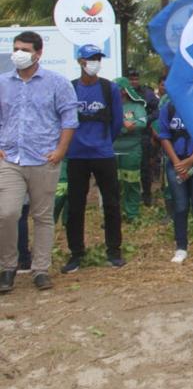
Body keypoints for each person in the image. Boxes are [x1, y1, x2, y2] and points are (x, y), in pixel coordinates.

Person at [0, 31, 78, 293]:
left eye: (24, 49)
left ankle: (40, 270)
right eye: (16, 48)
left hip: (44, 159)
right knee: (7, 213)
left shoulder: (57, 83)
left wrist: (60, 151)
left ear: (38, 53)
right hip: (10, 158)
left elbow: (69, 119)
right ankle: (8, 267)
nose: (18, 53)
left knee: (42, 216)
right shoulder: (3, 82)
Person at [62, 44, 126, 273]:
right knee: (76, 206)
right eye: (91, 58)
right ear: (80, 61)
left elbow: (117, 122)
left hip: (103, 154)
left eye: (98, 58)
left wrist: (105, 142)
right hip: (77, 155)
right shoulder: (69, 89)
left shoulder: (110, 89)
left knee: (111, 203)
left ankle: (114, 251)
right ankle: (76, 253)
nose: (94, 62)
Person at [157, 97, 193, 263]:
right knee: (180, 206)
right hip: (176, 162)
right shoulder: (169, 108)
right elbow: (164, 137)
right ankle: (181, 247)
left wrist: (191, 160)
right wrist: (177, 163)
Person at [113, 77, 147, 222]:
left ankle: (132, 214)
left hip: (132, 149)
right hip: (112, 150)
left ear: (124, 91)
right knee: (114, 184)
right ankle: (114, 215)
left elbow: (141, 122)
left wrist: (128, 124)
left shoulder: (136, 107)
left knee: (131, 182)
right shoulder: (110, 106)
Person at [126, 69, 159, 207]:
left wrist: (145, 119)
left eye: (135, 79)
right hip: (127, 137)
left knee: (145, 167)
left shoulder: (147, 93)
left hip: (143, 135)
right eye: (131, 79)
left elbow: (157, 110)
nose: (133, 82)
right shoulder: (123, 94)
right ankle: (131, 197)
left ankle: (147, 195)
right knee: (129, 168)